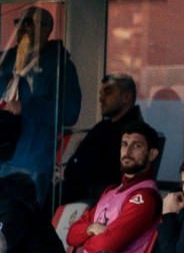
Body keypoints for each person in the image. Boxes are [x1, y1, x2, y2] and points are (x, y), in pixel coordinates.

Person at [0, 6, 83, 202]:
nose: (22, 29)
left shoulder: (59, 65)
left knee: (20, 223)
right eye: (19, 24)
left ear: (46, 29)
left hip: (30, 163)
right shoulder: (9, 59)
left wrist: (28, 107)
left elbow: (69, 113)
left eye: (29, 24)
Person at [65, 120, 163, 253]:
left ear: (152, 154)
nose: (127, 151)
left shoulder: (145, 197)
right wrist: (92, 228)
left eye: (136, 145)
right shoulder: (110, 192)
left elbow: (105, 246)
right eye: (124, 144)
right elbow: (71, 236)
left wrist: (86, 238)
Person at [61, 73, 144, 206]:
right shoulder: (106, 127)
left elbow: (103, 173)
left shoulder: (132, 134)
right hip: (79, 195)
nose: (101, 98)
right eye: (101, 93)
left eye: (108, 93)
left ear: (126, 97)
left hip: (96, 202)